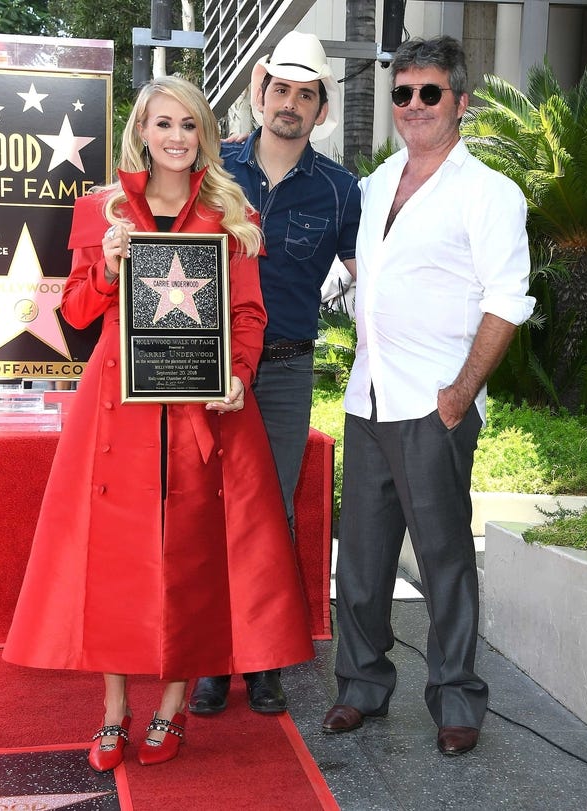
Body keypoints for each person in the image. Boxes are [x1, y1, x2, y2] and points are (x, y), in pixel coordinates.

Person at [2, 75, 314, 772]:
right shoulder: (101, 211)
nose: (176, 137)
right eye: (163, 123)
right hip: (119, 410)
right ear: (141, 130)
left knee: (193, 557)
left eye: (189, 125)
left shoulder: (232, 214)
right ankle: (115, 710)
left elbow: (249, 316)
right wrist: (109, 268)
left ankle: (172, 708)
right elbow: (78, 313)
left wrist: (238, 373)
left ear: (204, 134)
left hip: (203, 414)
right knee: (114, 562)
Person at [321, 36, 535, 755]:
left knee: (443, 559)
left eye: (429, 93)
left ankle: (456, 700)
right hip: (368, 398)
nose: (412, 105)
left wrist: (460, 392)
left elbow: (508, 300)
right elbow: (360, 272)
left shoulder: (489, 193)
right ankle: (360, 687)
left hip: (433, 405)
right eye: (402, 93)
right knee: (362, 559)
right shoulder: (378, 183)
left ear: (461, 103)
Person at [188, 31, 360, 717]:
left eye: (306, 93)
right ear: (261, 94)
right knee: (204, 510)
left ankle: (263, 663)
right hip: (204, 367)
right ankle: (208, 662)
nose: (290, 103)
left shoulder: (341, 192)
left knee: (272, 513)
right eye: (281, 88)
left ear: (322, 109)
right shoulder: (212, 168)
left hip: (286, 369)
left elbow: (368, 272)